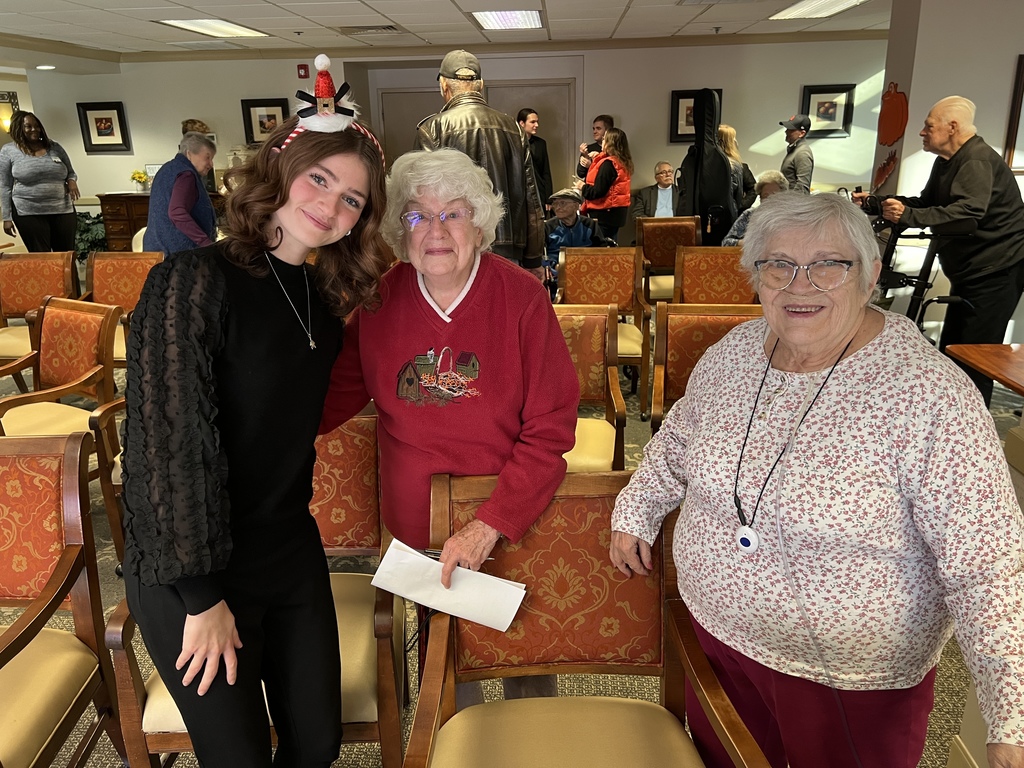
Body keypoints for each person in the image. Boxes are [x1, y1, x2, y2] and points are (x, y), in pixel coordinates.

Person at [609, 192, 1024, 768]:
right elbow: (678, 439)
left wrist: (1012, 717)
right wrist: (638, 505)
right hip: (717, 647)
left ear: (872, 273)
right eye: (778, 264)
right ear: (755, 277)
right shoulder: (734, 354)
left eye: (830, 264)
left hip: (849, 684)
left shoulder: (929, 396)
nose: (800, 285)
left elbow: (987, 562)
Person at [119, 72, 392, 765]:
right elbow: (165, 449)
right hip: (194, 566)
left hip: (286, 547)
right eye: (321, 180)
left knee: (318, 744)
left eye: (353, 198)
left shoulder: (327, 298)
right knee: (239, 756)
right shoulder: (192, 282)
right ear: (282, 169)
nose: (331, 205)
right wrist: (202, 598)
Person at [319, 147, 579, 705]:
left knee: (522, 661)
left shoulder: (522, 299)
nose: (435, 230)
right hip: (421, 525)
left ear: (480, 224)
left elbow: (552, 429)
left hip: (510, 514)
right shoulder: (377, 302)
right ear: (399, 229)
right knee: (446, 667)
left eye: (453, 213)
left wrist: (490, 524)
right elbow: (325, 402)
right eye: (416, 215)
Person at [855, 95, 1024, 407]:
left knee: (974, 357)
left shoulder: (976, 160)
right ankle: (948, 417)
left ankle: (969, 429)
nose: (922, 132)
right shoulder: (947, 161)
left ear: (952, 127)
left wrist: (907, 216)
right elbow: (928, 204)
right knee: (955, 349)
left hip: (996, 271)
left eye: (928, 126)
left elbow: (966, 215)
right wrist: (882, 203)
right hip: (972, 270)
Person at [415, 50, 545, 276]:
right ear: (481, 85)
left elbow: (423, 201)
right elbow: (531, 198)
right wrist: (534, 257)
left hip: (453, 248)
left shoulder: (432, 129)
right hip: (509, 248)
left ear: (443, 85)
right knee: (505, 310)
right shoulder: (513, 128)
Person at [0, 110, 80, 252]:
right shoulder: (9, 151)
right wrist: (7, 217)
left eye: (36, 126)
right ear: (18, 128)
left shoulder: (54, 147)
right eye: (28, 126)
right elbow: (5, 186)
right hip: (28, 212)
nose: (34, 129)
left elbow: (71, 172)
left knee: (67, 256)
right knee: (42, 258)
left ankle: (71, 276)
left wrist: (72, 182)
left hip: (62, 209)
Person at [143, 132, 217, 256]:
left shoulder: (166, 168)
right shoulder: (186, 175)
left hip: (156, 251)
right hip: (178, 257)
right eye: (207, 157)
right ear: (189, 154)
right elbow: (177, 212)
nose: (211, 164)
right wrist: (206, 243)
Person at [544, 187, 615, 297]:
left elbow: (602, 252)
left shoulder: (590, 224)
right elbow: (541, 254)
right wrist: (554, 266)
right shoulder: (548, 226)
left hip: (587, 270)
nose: (557, 207)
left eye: (562, 203)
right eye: (555, 204)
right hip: (557, 272)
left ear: (576, 205)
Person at [574, 127, 633, 242]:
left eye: (605, 139)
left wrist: (582, 186)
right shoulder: (622, 161)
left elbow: (598, 191)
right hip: (616, 214)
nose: (602, 140)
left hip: (605, 214)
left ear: (611, 143)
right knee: (611, 244)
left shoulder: (608, 164)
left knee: (603, 249)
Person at [720, 170, 788, 246]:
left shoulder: (791, 217)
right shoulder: (749, 215)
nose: (770, 199)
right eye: (766, 195)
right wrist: (744, 243)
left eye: (774, 195)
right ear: (760, 197)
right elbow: (725, 243)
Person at [517, 108, 553, 209]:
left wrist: (548, 198)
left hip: (539, 193)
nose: (536, 125)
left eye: (537, 122)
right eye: (533, 122)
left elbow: (546, 172)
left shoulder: (541, 143)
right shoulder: (513, 143)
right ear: (522, 123)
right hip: (520, 194)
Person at [718, 123, 756, 211]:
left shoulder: (741, 168)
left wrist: (740, 206)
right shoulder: (738, 167)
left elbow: (754, 189)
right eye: (734, 138)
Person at [779, 114, 814, 194]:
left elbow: (802, 188)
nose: (786, 131)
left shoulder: (803, 153)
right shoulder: (795, 150)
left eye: (791, 129)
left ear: (802, 133)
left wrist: (791, 205)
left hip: (793, 204)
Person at [576, 114, 613, 178]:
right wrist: (585, 156)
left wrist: (591, 165)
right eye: (593, 129)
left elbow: (611, 174)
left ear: (608, 131)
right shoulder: (589, 148)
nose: (594, 131)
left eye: (598, 128)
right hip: (589, 187)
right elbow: (580, 174)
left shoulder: (615, 149)